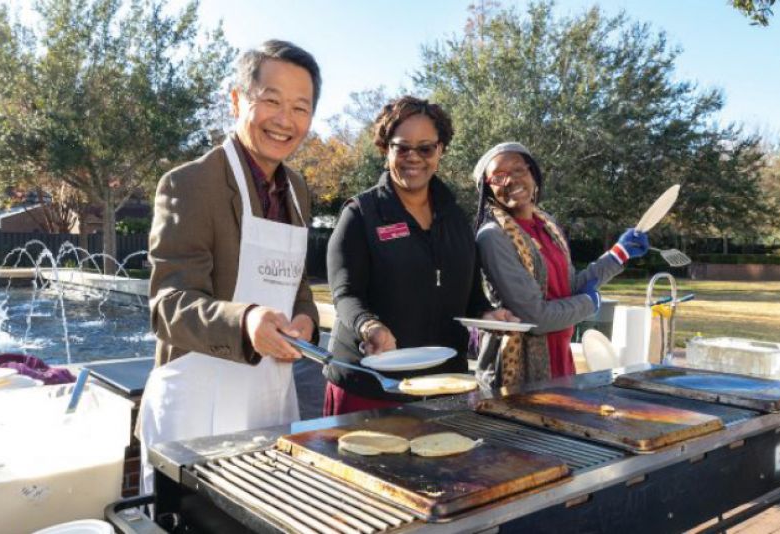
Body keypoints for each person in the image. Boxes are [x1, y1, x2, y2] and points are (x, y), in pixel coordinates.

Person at [138, 40, 321, 495]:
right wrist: (246, 321)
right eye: (272, 101)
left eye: (301, 107)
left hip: (271, 399)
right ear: (237, 99)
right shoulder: (190, 183)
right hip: (198, 407)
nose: (286, 120)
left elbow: (296, 287)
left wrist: (306, 323)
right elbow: (167, 307)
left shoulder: (297, 189)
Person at [324, 96, 515, 416]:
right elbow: (345, 294)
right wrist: (369, 326)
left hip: (442, 385)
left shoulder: (454, 217)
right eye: (402, 147)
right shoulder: (361, 213)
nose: (414, 157)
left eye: (425, 148)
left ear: (440, 151)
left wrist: (487, 315)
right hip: (371, 386)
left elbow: (469, 295)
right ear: (386, 151)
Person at [473, 142, 649, 390]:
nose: (511, 180)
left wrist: (618, 255)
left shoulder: (548, 226)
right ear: (488, 190)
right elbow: (535, 317)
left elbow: (570, 286)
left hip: (560, 358)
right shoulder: (493, 237)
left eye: (519, 170)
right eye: (498, 177)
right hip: (519, 371)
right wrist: (590, 304)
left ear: (532, 173)